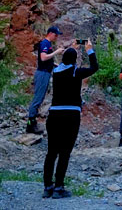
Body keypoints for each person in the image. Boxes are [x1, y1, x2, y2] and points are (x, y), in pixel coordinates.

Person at [42, 40, 98, 199]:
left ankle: (47, 187)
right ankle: (59, 187)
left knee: (51, 152)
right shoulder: (76, 72)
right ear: (75, 61)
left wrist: (71, 48)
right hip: (71, 116)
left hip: (54, 115)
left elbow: (65, 61)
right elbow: (94, 67)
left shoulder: (57, 71)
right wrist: (89, 50)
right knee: (65, 152)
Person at [27, 25, 65, 133]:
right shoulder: (45, 43)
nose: (56, 37)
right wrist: (56, 52)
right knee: (38, 98)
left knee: (40, 97)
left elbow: (47, 59)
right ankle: (31, 123)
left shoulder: (47, 44)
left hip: (46, 72)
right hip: (42, 73)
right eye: (56, 35)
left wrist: (56, 65)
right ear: (51, 34)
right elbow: (43, 58)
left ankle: (33, 122)